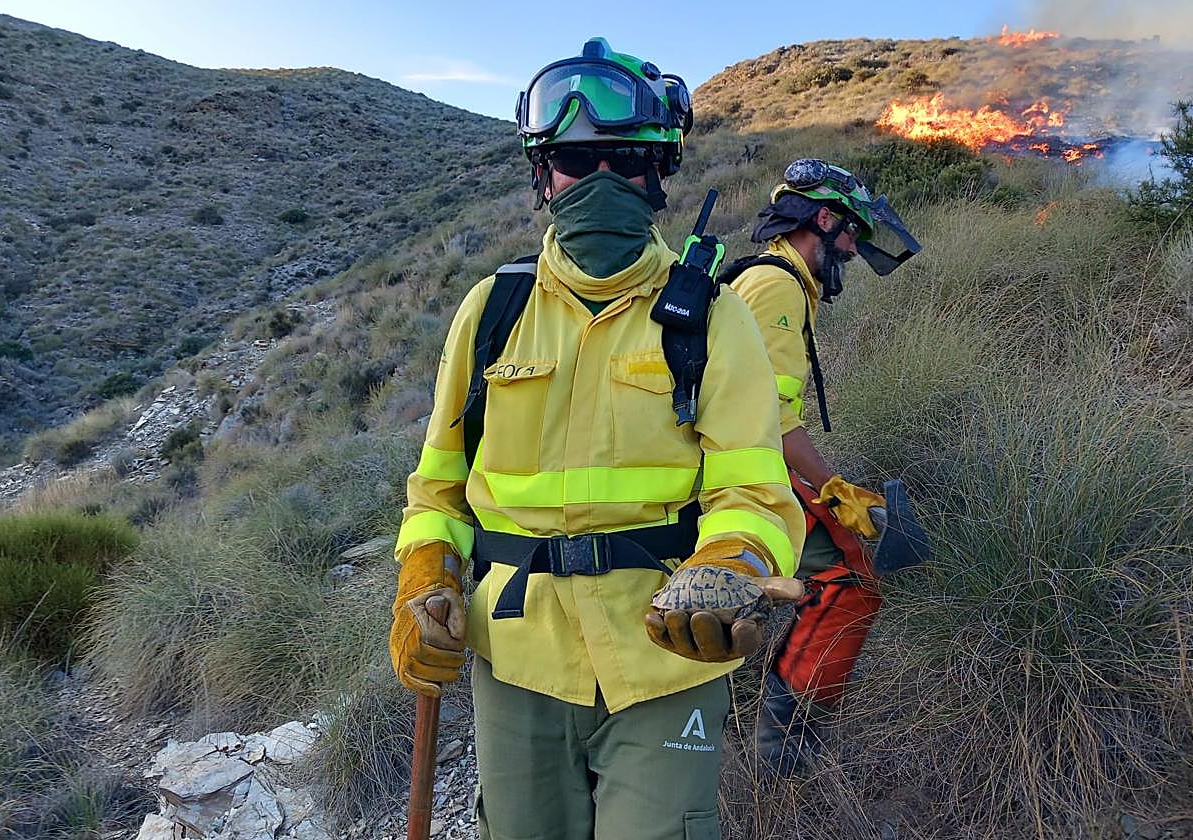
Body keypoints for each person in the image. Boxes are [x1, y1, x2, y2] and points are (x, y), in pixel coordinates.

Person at [388, 38, 805, 840]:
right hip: (516, 659)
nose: (602, 179)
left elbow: (754, 491)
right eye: (580, 159)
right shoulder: (490, 313)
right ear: (542, 173)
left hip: (666, 657)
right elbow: (437, 488)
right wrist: (424, 579)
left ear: (659, 171)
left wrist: (733, 561)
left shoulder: (715, 317)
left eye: (624, 157)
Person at [727, 159, 920, 774]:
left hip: (734, 458)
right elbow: (773, 427)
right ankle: (785, 748)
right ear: (825, 218)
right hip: (733, 470)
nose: (853, 250)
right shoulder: (780, 285)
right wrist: (835, 489)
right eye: (850, 235)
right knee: (851, 574)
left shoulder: (772, 279)